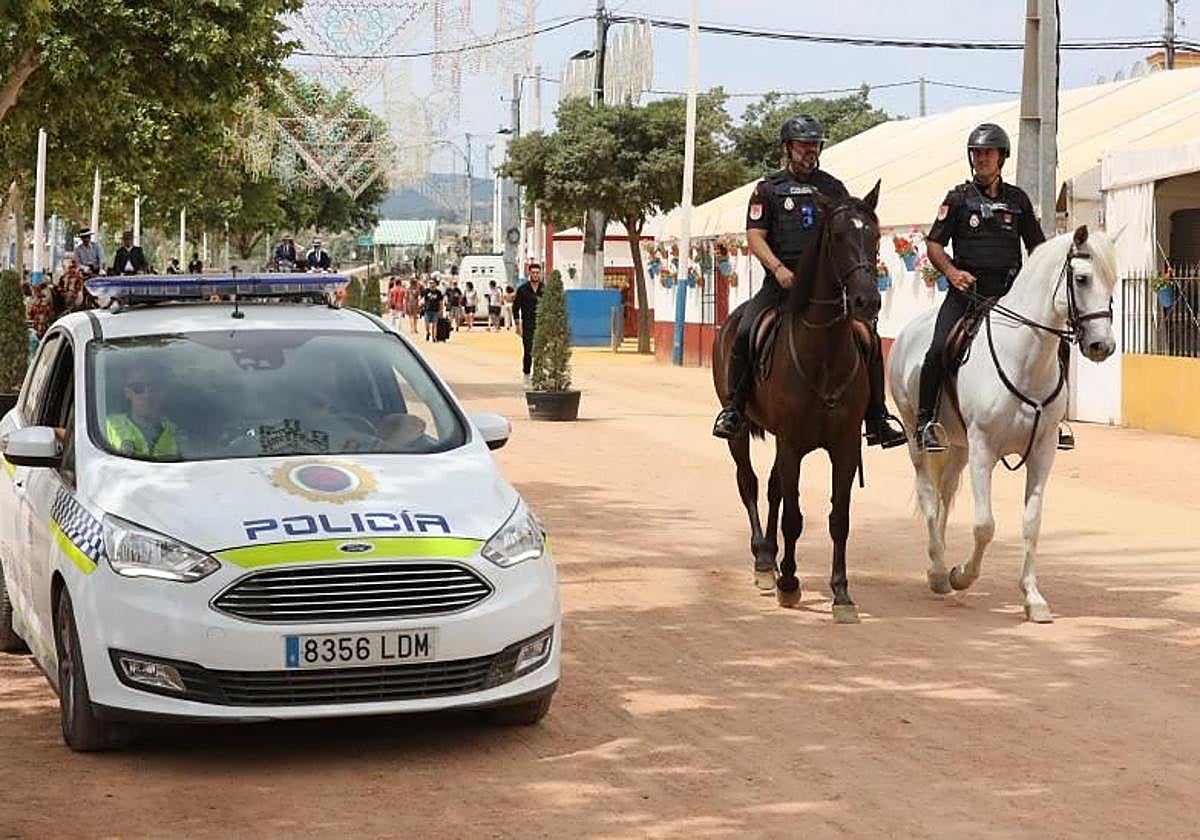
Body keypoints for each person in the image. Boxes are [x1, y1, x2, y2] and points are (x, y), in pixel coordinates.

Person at [711, 115, 907, 448]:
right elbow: (755, 236)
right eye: (803, 145)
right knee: (744, 331)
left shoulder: (834, 188)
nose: (810, 151)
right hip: (780, 286)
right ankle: (735, 407)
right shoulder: (768, 189)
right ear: (788, 148)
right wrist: (777, 268)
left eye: (814, 145)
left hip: (825, 292)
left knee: (868, 338)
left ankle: (877, 417)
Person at [916, 123, 1071, 452]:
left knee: (1059, 344)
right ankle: (926, 422)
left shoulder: (1017, 200)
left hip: (1008, 295)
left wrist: (1039, 284)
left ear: (1002, 157)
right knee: (938, 349)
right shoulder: (957, 198)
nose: (981, 158)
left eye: (988, 153)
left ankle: (1059, 420)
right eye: (977, 153)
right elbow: (934, 244)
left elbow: (1038, 249)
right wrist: (952, 272)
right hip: (966, 295)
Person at [105, 363, 181, 459]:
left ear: (163, 392)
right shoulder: (107, 427)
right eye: (138, 388)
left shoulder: (177, 433)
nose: (147, 395)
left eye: (154, 387)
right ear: (127, 393)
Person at [514, 264, 544, 384]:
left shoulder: (545, 289)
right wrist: (517, 325)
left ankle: (538, 376)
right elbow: (515, 308)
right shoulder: (522, 290)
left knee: (540, 350)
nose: (535, 275)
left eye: (537, 273)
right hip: (527, 324)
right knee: (528, 350)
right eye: (533, 272)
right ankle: (526, 374)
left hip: (541, 324)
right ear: (529, 274)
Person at [420, 276, 444, 341]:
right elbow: (423, 299)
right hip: (427, 310)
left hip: (435, 311)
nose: (431, 284)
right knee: (427, 324)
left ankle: (434, 337)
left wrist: (441, 311)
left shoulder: (438, 293)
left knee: (434, 325)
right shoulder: (426, 291)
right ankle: (428, 332)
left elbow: (441, 302)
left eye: (433, 283)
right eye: (430, 283)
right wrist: (421, 305)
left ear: (436, 284)